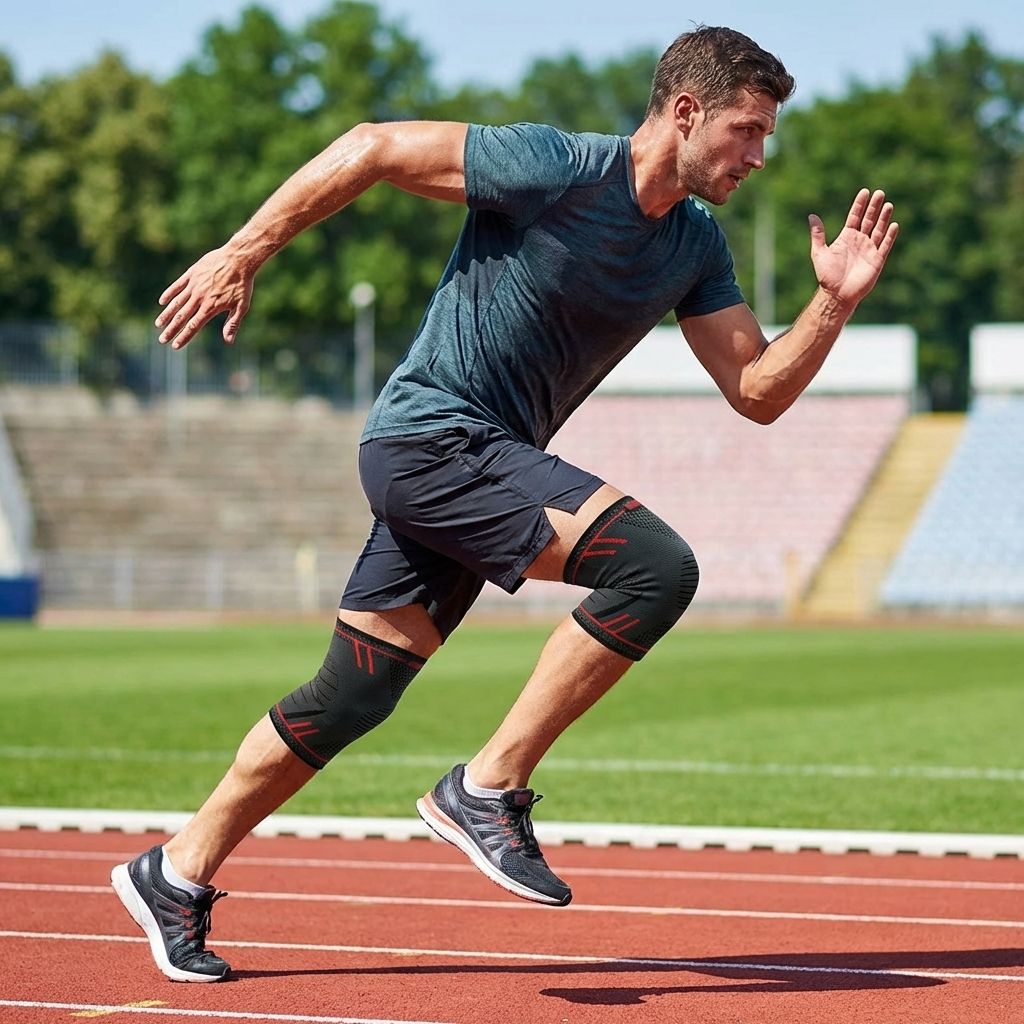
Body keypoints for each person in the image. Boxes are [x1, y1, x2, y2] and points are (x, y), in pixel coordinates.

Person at [110, 25, 898, 982]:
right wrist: (244, 250)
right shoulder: (553, 166)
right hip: (430, 437)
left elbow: (759, 391)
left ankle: (177, 871)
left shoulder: (694, 244)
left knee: (351, 693)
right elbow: (370, 145)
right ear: (686, 113)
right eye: (747, 129)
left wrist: (835, 305)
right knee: (654, 566)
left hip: (474, 464)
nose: (759, 155)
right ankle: (488, 786)